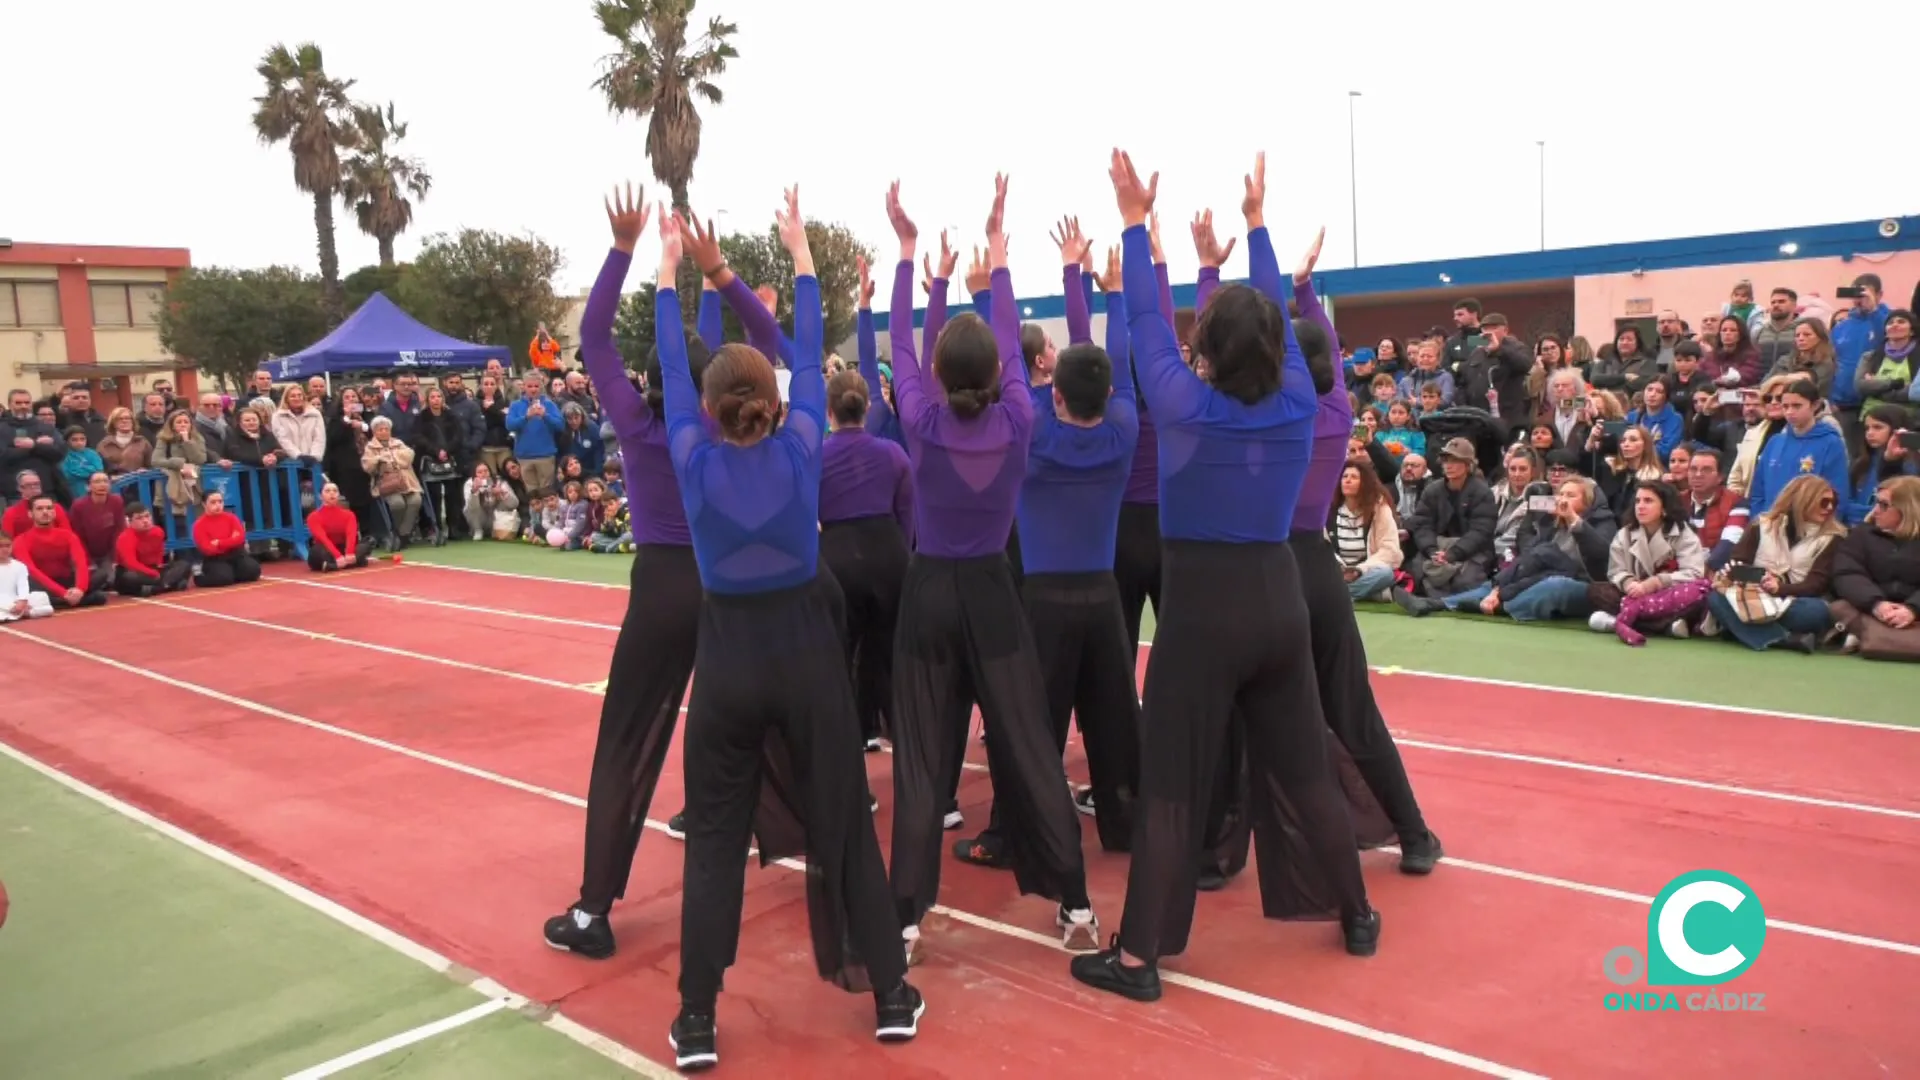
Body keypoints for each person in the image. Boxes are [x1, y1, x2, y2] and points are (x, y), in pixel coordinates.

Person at [1071, 151, 1375, 1005]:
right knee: (1302, 767)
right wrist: (1254, 225)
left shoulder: (1179, 405)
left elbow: (1139, 319)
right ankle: (1354, 910)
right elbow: (1270, 307)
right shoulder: (1295, 401)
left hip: (1201, 614)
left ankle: (1140, 958)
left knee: (1174, 784)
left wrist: (1136, 227)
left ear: (1203, 346)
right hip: (1277, 600)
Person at [646, 188, 923, 1067]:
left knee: (716, 845)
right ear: (773, 397)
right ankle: (889, 991)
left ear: (706, 403)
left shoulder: (689, 455)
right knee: (843, 820)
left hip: (728, 658)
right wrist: (800, 252)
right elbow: (808, 349)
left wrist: (665, 268)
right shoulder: (805, 440)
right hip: (806, 653)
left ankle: (696, 1018)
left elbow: (668, 354)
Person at [882, 178, 1101, 963]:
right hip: (993, 592)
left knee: (923, 755)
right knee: (1028, 746)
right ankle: (1076, 908)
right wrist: (998, 262)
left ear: (939, 372)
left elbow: (903, 346)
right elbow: (1013, 347)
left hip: (932, 590)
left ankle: (905, 921)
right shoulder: (1019, 417)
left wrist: (913, 259)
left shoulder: (918, 415)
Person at [542, 191, 717, 961]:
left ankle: (594, 908)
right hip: (729, 586)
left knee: (628, 740)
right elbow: (738, 357)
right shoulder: (731, 427)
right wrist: (706, 277)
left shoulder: (641, 429)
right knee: (751, 725)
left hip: (662, 589)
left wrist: (634, 251)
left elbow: (592, 339)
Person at [955, 236, 1142, 868]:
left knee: (1031, 726)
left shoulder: (1033, 434)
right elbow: (1114, 356)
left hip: (1044, 603)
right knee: (1115, 718)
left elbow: (1008, 355)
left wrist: (990, 286)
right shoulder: (1124, 430)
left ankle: (1013, 834)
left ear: (1053, 393)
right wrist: (1108, 292)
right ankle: (1122, 822)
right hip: (1103, 598)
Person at [817, 293, 915, 752]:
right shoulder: (893, 452)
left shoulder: (816, 457)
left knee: (839, 658)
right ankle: (914, 758)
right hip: (889, 553)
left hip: (837, 559)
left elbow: (806, 517)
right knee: (895, 654)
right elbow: (907, 515)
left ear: (830, 412)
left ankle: (853, 748)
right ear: (865, 407)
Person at [1703, 475, 1845, 652]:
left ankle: (1740, 629)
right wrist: (1753, 578)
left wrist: (1779, 588)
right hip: (1755, 593)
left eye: (1834, 502)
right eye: (1824, 502)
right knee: (1717, 598)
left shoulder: (1833, 538)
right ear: (1803, 500)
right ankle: (1787, 639)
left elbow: (1816, 585)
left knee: (1817, 611)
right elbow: (1739, 564)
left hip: (1797, 600)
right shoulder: (1761, 525)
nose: (1830, 508)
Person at [1747, 379, 1850, 515]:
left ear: (1815, 405)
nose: (1790, 412)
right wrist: (1759, 521)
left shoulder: (1830, 442)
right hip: (1771, 525)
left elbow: (1837, 493)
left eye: (1797, 406)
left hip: (1809, 526)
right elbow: (1758, 491)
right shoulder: (1775, 442)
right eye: (1785, 406)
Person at [12, 495, 108, 609]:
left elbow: (80, 563)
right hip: (41, 584)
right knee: (26, 580)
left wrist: (80, 589)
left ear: (54, 512)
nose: (45, 512)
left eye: (49, 508)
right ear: (30, 514)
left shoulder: (68, 536)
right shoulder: (20, 540)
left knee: (101, 573)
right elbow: (32, 571)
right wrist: (63, 593)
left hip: (66, 581)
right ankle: (74, 600)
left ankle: (61, 601)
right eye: (39, 509)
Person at [112, 502, 192, 596]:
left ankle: (158, 588)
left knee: (184, 565)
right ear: (129, 522)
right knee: (129, 577)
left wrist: (158, 567)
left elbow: (159, 554)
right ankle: (169, 585)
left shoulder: (158, 532)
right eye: (139, 518)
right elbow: (131, 563)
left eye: (147, 516)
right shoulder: (125, 538)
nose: (145, 520)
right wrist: (151, 573)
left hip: (152, 569)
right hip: (133, 571)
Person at [191, 490, 262, 587]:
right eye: (213, 502)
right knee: (223, 578)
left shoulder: (231, 518)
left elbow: (240, 538)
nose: (218, 505)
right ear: (204, 504)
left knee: (253, 571)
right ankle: (200, 578)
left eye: (220, 501)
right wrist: (230, 540)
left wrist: (219, 543)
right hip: (215, 558)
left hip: (236, 554)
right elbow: (207, 548)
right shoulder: (199, 525)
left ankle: (233, 573)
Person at [306, 482, 370, 571]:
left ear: (339, 495)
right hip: (326, 549)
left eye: (335, 491)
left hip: (343, 549)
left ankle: (333, 566)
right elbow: (322, 538)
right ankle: (352, 562)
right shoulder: (313, 517)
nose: (332, 493)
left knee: (369, 541)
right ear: (320, 496)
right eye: (327, 491)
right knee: (315, 552)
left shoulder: (349, 515)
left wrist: (349, 553)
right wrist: (338, 556)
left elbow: (351, 535)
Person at [0, 530, 56, 622]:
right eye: (1, 546)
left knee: (41, 596)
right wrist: (9, 606)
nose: (5, 549)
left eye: (8, 546)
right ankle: (24, 612)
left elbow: (23, 586)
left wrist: (22, 601)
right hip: (3, 603)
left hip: (16, 600)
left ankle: (24, 612)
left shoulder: (20, 566)